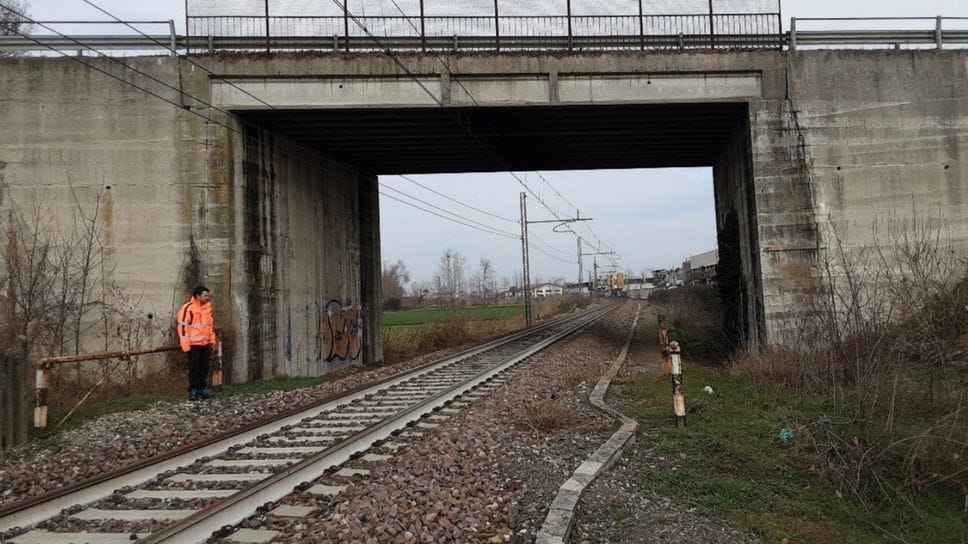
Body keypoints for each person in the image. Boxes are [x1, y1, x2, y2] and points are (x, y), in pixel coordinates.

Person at [177, 286, 217, 401]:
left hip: (205, 343)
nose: (207, 298)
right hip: (193, 344)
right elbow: (183, 327)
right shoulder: (188, 308)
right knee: (194, 368)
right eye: (205, 296)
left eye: (208, 296)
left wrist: (212, 340)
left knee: (204, 367)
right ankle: (193, 390)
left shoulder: (207, 308)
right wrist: (185, 345)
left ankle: (202, 388)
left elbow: (210, 326)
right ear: (198, 296)